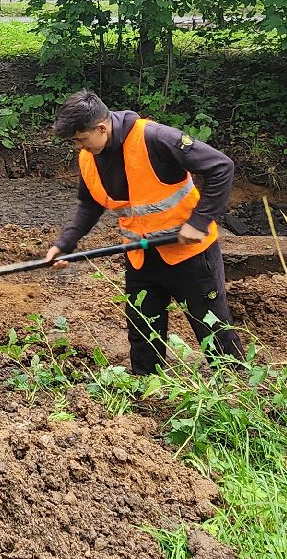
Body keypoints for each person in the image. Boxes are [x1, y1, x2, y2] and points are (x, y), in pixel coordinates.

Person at [43, 89, 242, 374]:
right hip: (140, 258)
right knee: (143, 336)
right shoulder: (88, 158)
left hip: (190, 256)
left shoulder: (155, 138)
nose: (78, 147)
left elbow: (221, 167)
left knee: (214, 331)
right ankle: (145, 400)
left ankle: (236, 394)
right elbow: (89, 204)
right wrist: (66, 243)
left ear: (101, 128)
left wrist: (199, 222)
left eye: (80, 139)